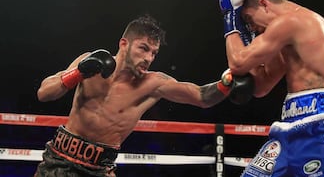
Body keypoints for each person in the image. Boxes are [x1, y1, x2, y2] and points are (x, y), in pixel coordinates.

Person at [33, 15, 253, 177]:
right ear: (124, 44)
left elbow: (202, 96)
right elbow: (44, 93)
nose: (149, 57)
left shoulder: (153, 83)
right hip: (58, 160)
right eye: (143, 48)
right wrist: (78, 72)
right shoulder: (90, 62)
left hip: (99, 170)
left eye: (154, 53)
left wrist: (227, 83)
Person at [218, 0, 324, 177]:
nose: (251, 28)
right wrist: (246, 41)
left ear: (264, 5)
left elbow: (238, 62)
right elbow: (261, 86)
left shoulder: (292, 21)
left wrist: (230, 19)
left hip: (321, 124)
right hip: (288, 127)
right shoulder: (284, 39)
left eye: (249, 20)